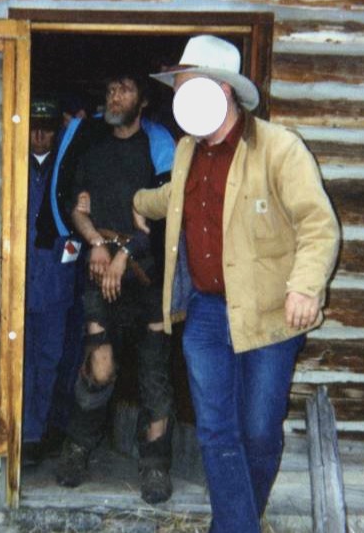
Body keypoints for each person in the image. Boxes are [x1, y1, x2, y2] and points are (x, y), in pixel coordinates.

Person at [132, 35, 340, 532]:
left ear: (221, 90)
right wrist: (140, 202)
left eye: (187, 85)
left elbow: (319, 224)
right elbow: (172, 199)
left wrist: (306, 287)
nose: (179, 96)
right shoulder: (186, 151)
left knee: (261, 433)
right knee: (216, 432)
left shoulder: (280, 148)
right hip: (205, 313)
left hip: (270, 314)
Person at [51, 71, 177, 505]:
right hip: (102, 276)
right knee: (99, 368)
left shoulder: (159, 151)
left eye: (123, 88)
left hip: (148, 279)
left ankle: (156, 464)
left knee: (155, 379)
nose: (114, 95)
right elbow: (77, 208)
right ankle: (78, 448)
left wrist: (124, 252)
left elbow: (161, 219)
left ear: (142, 101)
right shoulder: (94, 149)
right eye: (109, 89)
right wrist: (96, 242)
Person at [23, 98, 77, 466]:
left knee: (50, 361)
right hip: (20, 286)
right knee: (21, 363)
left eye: (47, 127)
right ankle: (24, 436)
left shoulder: (69, 170)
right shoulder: (14, 166)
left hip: (56, 288)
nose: (39, 135)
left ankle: (42, 433)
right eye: (33, 126)